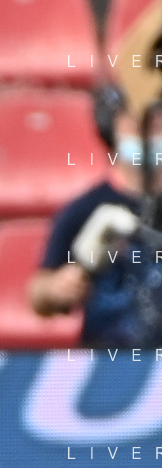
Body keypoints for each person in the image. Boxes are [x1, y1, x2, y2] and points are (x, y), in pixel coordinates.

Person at [29, 87, 162, 347]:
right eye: (136, 124)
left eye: (156, 125)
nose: (147, 134)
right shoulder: (85, 209)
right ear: (113, 129)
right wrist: (59, 287)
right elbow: (39, 294)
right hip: (107, 359)